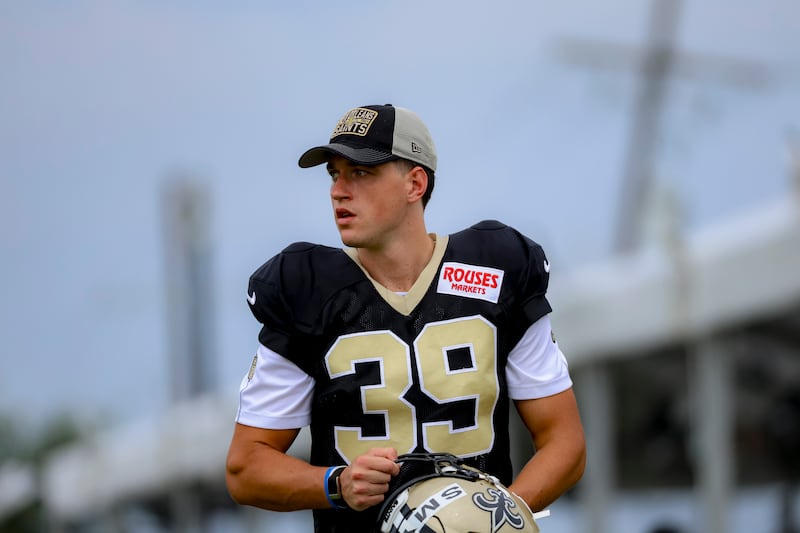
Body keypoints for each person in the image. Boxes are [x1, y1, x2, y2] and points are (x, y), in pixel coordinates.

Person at [225, 103, 586, 532]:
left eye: (360, 172)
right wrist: (337, 483)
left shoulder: (495, 272)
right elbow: (246, 467)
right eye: (334, 174)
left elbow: (565, 442)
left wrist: (495, 517)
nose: (338, 190)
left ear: (415, 183)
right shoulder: (307, 292)